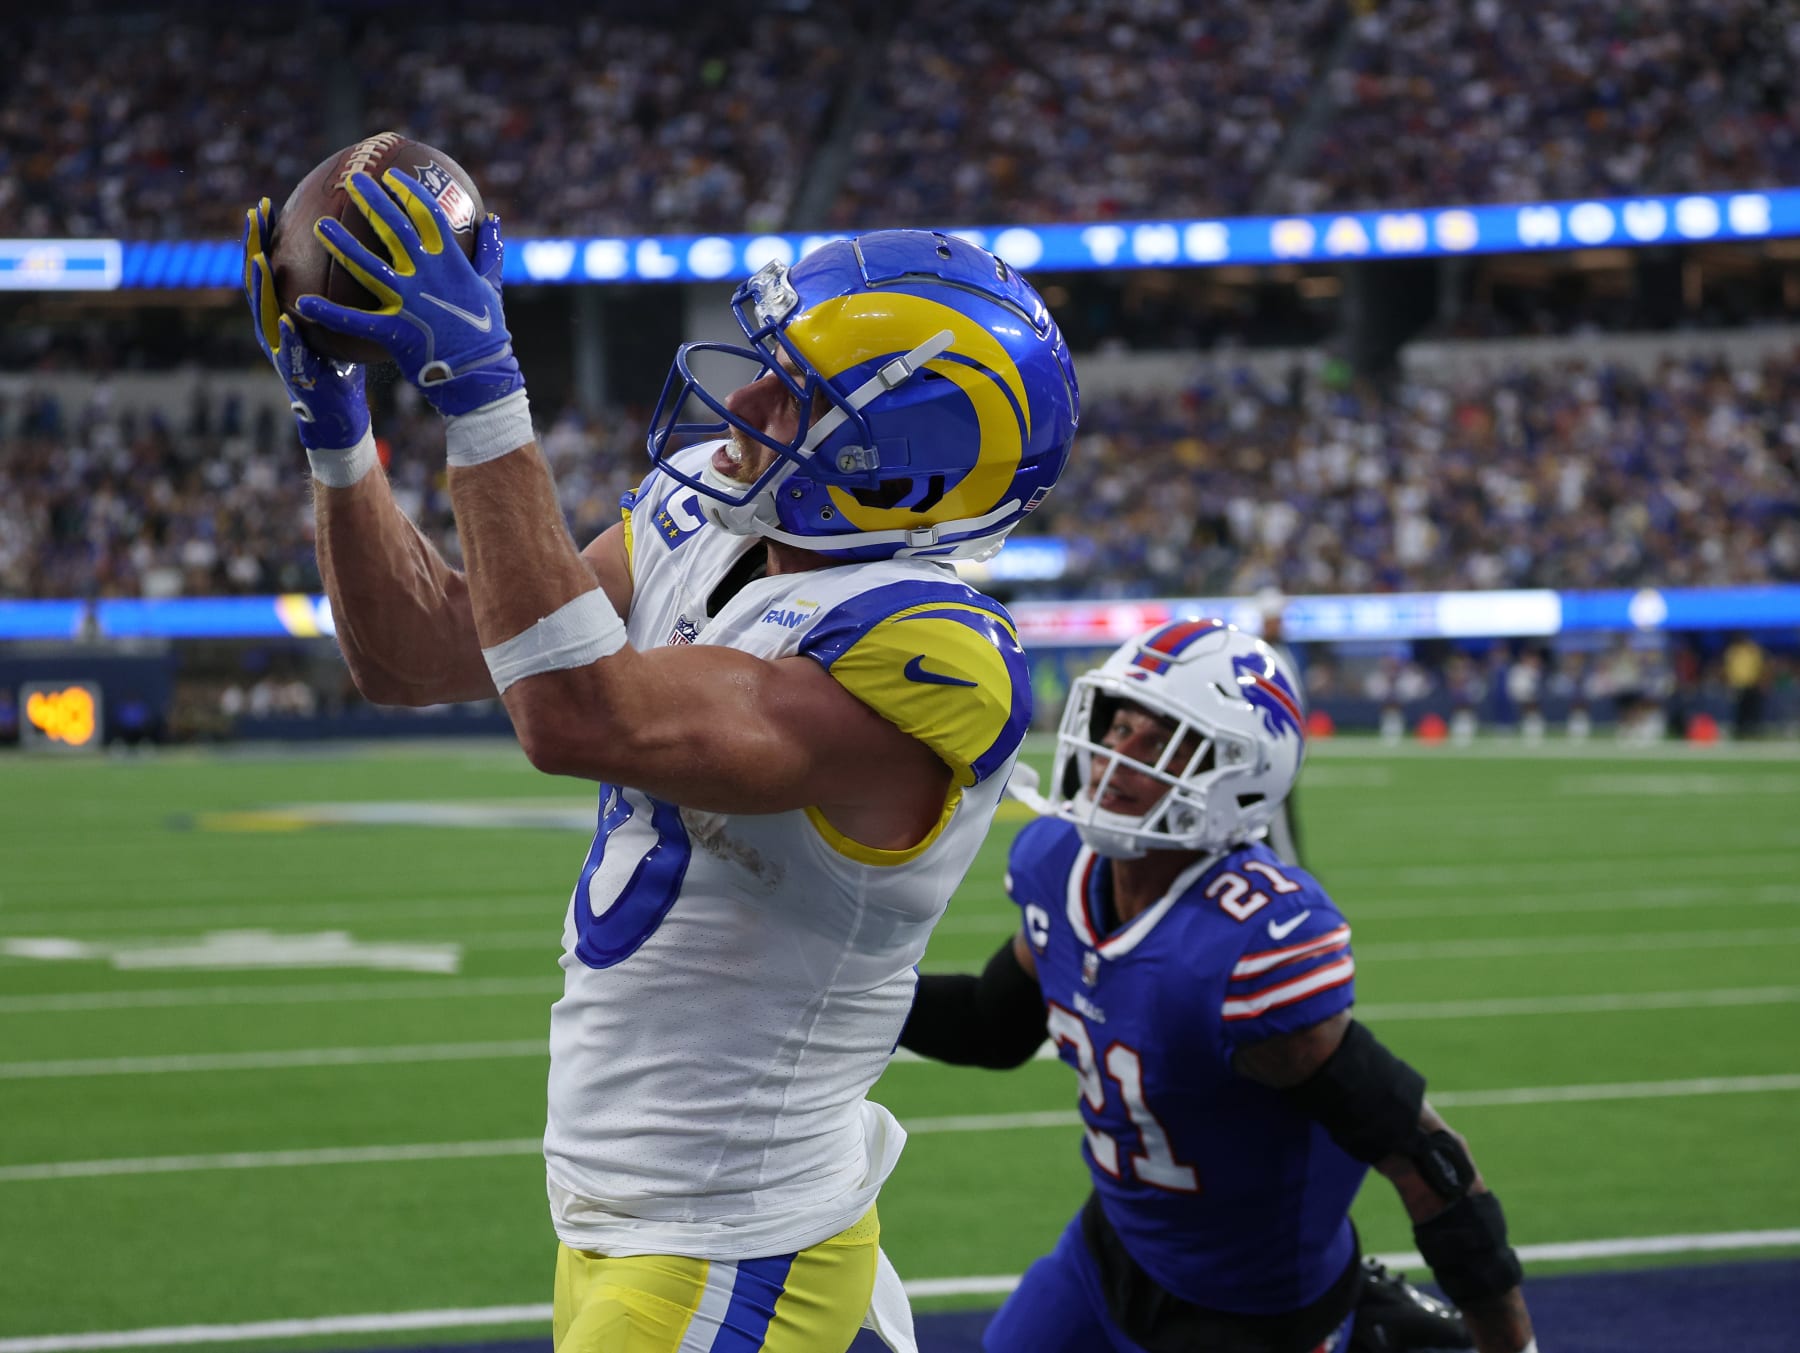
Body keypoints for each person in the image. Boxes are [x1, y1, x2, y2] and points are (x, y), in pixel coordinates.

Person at [241, 170, 1080, 1353]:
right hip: (644, 1221)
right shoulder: (709, 519)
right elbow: (421, 655)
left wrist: (484, 394)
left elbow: (580, 715)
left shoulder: (933, 653)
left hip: (731, 1241)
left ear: (900, 464)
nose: (752, 399)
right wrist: (335, 424)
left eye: (797, 394)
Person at [900, 621, 1537, 1353]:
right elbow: (993, 1023)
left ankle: (1363, 1319)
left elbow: (1424, 1158)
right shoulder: (1060, 864)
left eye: (1159, 739)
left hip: (1256, 1305)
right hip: (1112, 1248)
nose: (1115, 754)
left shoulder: (1248, 947)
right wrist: (834, 997)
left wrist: (1509, 1343)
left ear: (1238, 770)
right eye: (1119, 723)